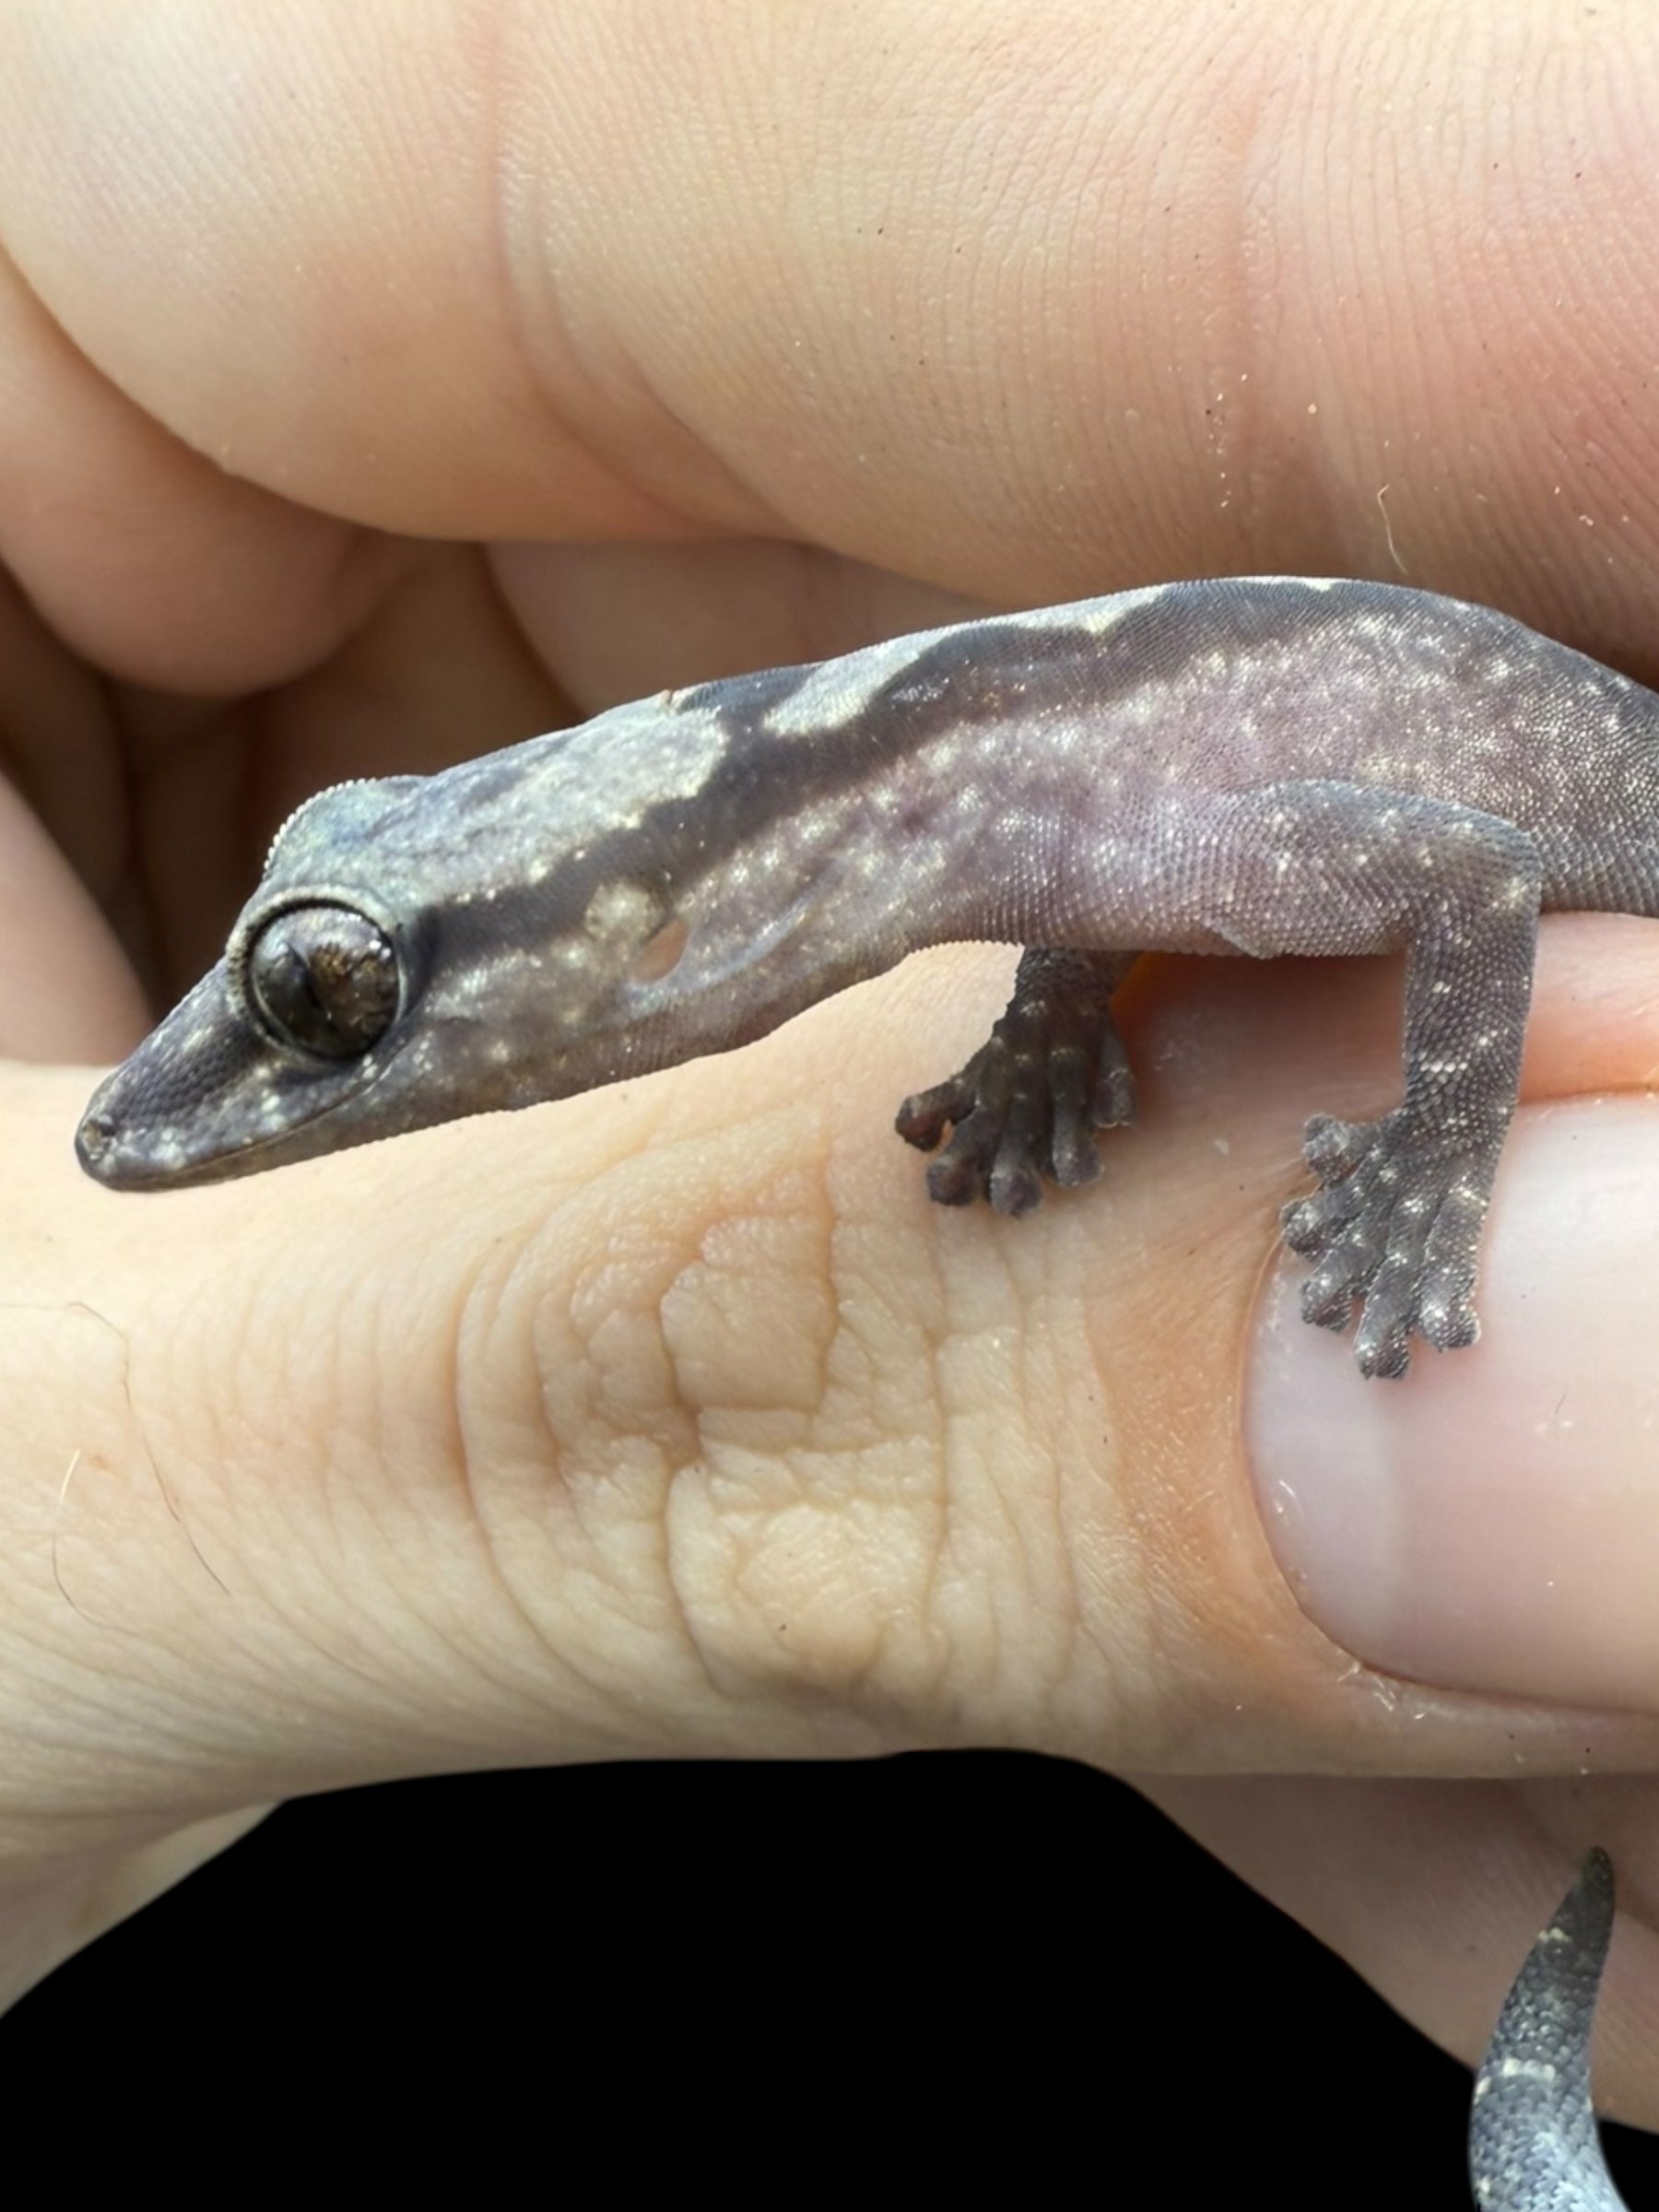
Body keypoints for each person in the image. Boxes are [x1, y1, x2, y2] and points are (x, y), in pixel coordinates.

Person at [0, 0, 1653, 2136]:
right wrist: (1059, 1021)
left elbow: (1477, 870)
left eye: (330, 996)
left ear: (645, 922)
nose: (186, 1093)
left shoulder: (1094, 798)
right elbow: (1077, 853)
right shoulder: (1029, 802)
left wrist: (1440, 1167)